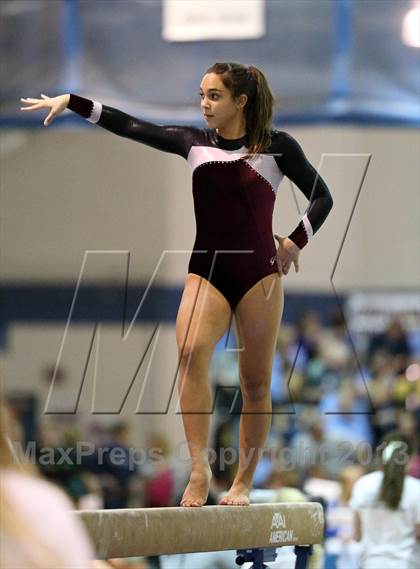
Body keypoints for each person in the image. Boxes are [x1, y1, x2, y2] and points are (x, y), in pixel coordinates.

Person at [20, 61, 333, 507]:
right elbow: (130, 125)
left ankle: (242, 481)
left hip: (259, 273)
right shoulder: (192, 143)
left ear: (240, 101)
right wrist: (73, 102)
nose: (204, 104)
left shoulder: (277, 147)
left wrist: (295, 241)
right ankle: (199, 470)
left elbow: (323, 196)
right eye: (201, 95)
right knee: (188, 355)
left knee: (257, 381)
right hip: (207, 269)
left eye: (214, 96)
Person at [349, 432, 420, 569]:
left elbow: (357, 535)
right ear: (410, 459)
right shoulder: (416, 488)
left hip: (370, 563)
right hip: (407, 563)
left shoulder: (363, 484)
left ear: (380, 456)